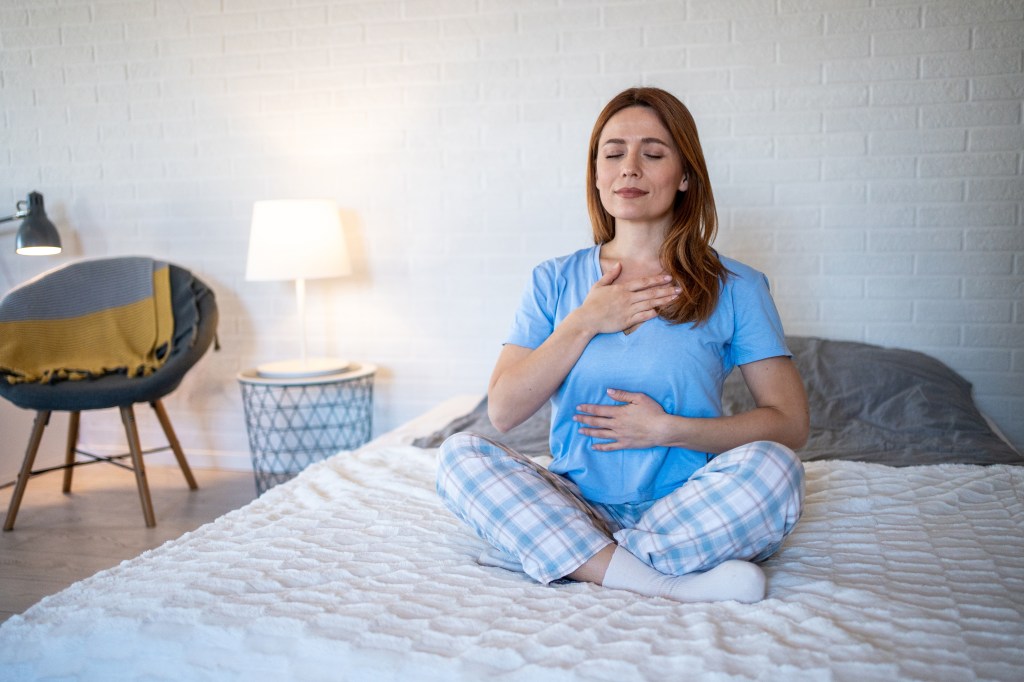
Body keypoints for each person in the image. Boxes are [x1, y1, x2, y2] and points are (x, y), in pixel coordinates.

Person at [435, 87, 809, 604]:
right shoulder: (554, 281)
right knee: (459, 457)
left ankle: (569, 557)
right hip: (577, 502)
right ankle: (657, 578)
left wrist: (668, 429)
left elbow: (789, 423)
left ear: (684, 177)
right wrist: (586, 320)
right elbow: (503, 412)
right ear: (595, 173)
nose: (629, 168)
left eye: (652, 154)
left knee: (776, 470)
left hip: (684, 505)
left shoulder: (737, 286)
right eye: (613, 154)